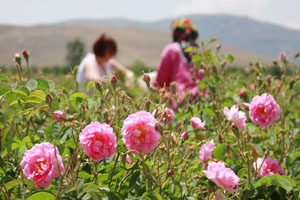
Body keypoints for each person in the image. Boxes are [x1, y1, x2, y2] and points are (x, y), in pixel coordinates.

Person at [154, 18, 203, 108]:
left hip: (180, 105)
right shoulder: (200, 53)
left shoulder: (171, 49)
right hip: (202, 102)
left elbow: (159, 82)